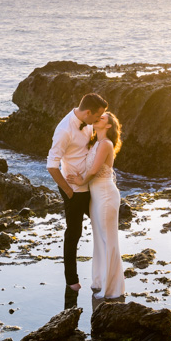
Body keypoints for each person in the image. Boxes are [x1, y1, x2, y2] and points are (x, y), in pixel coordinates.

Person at [47, 93, 108, 291]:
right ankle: (71, 280)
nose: (99, 119)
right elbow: (51, 166)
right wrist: (68, 191)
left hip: (90, 185)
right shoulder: (65, 130)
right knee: (74, 233)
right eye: (97, 116)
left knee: (101, 226)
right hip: (73, 188)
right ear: (88, 112)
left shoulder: (88, 122)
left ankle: (105, 271)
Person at [67, 112, 125, 300]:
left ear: (108, 126)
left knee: (108, 239)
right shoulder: (95, 143)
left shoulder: (106, 143)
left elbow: (93, 170)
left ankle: (113, 288)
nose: (99, 118)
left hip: (106, 195)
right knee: (100, 240)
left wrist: (80, 180)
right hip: (96, 197)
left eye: (103, 118)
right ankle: (100, 280)